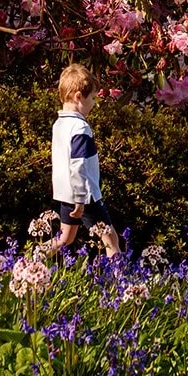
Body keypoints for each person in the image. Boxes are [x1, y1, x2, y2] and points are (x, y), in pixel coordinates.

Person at [48, 63, 121, 259]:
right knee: (111, 240)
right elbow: (78, 164)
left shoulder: (59, 124)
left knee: (64, 238)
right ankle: (120, 277)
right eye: (92, 98)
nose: (94, 104)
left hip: (65, 194)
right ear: (79, 97)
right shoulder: (80, 128)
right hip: (85, 196)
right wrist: (80, 199)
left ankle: (28, 262)